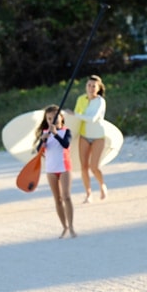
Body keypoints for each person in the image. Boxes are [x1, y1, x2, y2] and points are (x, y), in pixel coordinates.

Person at [35, 105, 76, 238]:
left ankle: (71, 227)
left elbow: (66, 144)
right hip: (51, 169)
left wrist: (56, 134)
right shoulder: (45, 133)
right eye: (49, 118)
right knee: (57, 199)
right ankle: (64, 227)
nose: (53, 120)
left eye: (55, 117)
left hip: (64, 168)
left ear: (62, 117)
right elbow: (38, 151)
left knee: (66, 196)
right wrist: (42, 141)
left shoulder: (66, 131)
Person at [74, 74, 108, 203]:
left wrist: (76, 115)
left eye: (94, 86)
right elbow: (76, 119)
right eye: (89, 85)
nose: (91, 88)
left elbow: (93, 119)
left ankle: (102, 185)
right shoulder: (81, 99)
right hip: (84, 135)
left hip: (98, 136)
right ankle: (88, 193)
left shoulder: (100, 101)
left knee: (94, 167)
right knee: (84, 167)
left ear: (99, 88)